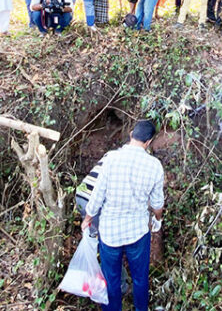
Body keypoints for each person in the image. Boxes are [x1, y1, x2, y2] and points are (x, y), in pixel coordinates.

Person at [82, 120, 164, 311]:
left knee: (111, 279)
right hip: (138, 232)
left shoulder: (110, 159)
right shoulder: (154, 166)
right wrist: (158, 219)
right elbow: (157, 204)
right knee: (140, 278)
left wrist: (88, 219)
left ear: (131, 134)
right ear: (149, 141)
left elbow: (97, 195)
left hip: (110, 233)